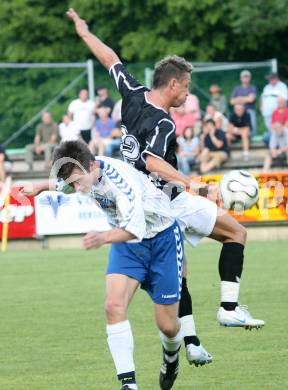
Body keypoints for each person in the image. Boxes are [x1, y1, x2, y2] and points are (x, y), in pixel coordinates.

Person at [67, 7, 265, 368]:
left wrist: (84, 33)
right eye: (186, 87)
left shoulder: (132, 93)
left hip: (141, 203)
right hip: (166, 200)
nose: (188, 94)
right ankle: (229, 308)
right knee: (236, 232)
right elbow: (153, 161)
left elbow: (110, 58)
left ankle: (191, 344)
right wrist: (191, 184)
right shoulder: (164, 123)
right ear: (172, 84)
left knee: (181, 270)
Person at [31, 140, 184, 390]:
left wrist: (102, 237)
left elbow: (135, 229)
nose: (78, 189)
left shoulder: (121, 183)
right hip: (127, 246)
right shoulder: (84, 173)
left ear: (92, 165)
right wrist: (39, 187)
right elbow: (67, 184)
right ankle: (128, 384)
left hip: (160, 240)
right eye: (73, 183)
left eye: (79, 181)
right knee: (113, 306)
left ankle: (171, 355)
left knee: (167, 326)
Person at [230, 70, 257, 137]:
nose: (245, 78)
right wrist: (246, 98)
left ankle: (251, 138)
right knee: (234, 127)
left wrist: (239, 98)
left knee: (251, 127)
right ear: (241, 78)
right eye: (244, 77)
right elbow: (232, 101)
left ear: (250, 78)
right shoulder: (237, 88)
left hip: (249, 110)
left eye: (247, 77)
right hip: (238, 112)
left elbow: (251, 99)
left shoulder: (252, 88)